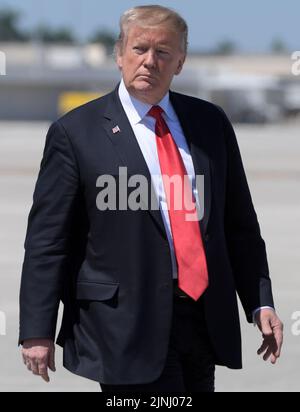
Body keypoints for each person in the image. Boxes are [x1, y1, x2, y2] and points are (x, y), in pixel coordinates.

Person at [19, 5, 283, 392]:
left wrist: (260, 302)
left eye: (163, 52)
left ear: (180, 61)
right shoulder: (76, 132)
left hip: (202, 319)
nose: (150, 61)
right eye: (140, 49)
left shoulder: (210, 123)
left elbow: (239, 224)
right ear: (119, 54)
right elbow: (48, 241)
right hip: (124, 324)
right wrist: (36, 330)